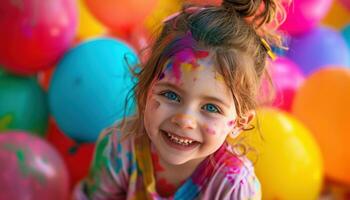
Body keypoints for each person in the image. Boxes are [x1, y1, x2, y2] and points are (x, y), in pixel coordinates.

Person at [74, 0, 286, 199]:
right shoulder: (119, 147)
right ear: (145, 87)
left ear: (240, 122)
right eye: (171, 95)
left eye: (211, 107)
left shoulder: (233, 186)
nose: (185, 119)